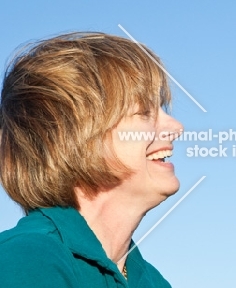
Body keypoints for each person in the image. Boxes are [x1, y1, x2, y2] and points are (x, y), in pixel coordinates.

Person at [0, 32, 183, 287]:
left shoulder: (152, 281)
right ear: (75, 136)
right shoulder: (26, 261)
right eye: (143, 112)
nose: (176, 127)